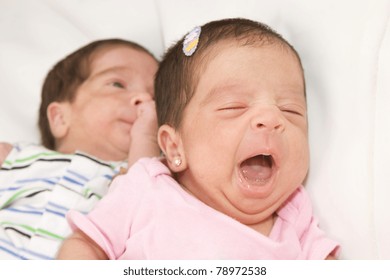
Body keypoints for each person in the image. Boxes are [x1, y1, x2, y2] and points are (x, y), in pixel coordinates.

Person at [57, 18, 340, 260]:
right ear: (173, 146)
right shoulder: (147, 187)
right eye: (234, 107)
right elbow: (86, 244)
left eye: (291, 111)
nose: (272, 118)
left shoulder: (294, 211)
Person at [0, 38, 159, 259]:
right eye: (118, 84)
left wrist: (146, 136)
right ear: (60, 118)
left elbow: (146, 199)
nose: (144, 100)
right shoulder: (18, 158)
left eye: (156, 99)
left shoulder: (133, 179)